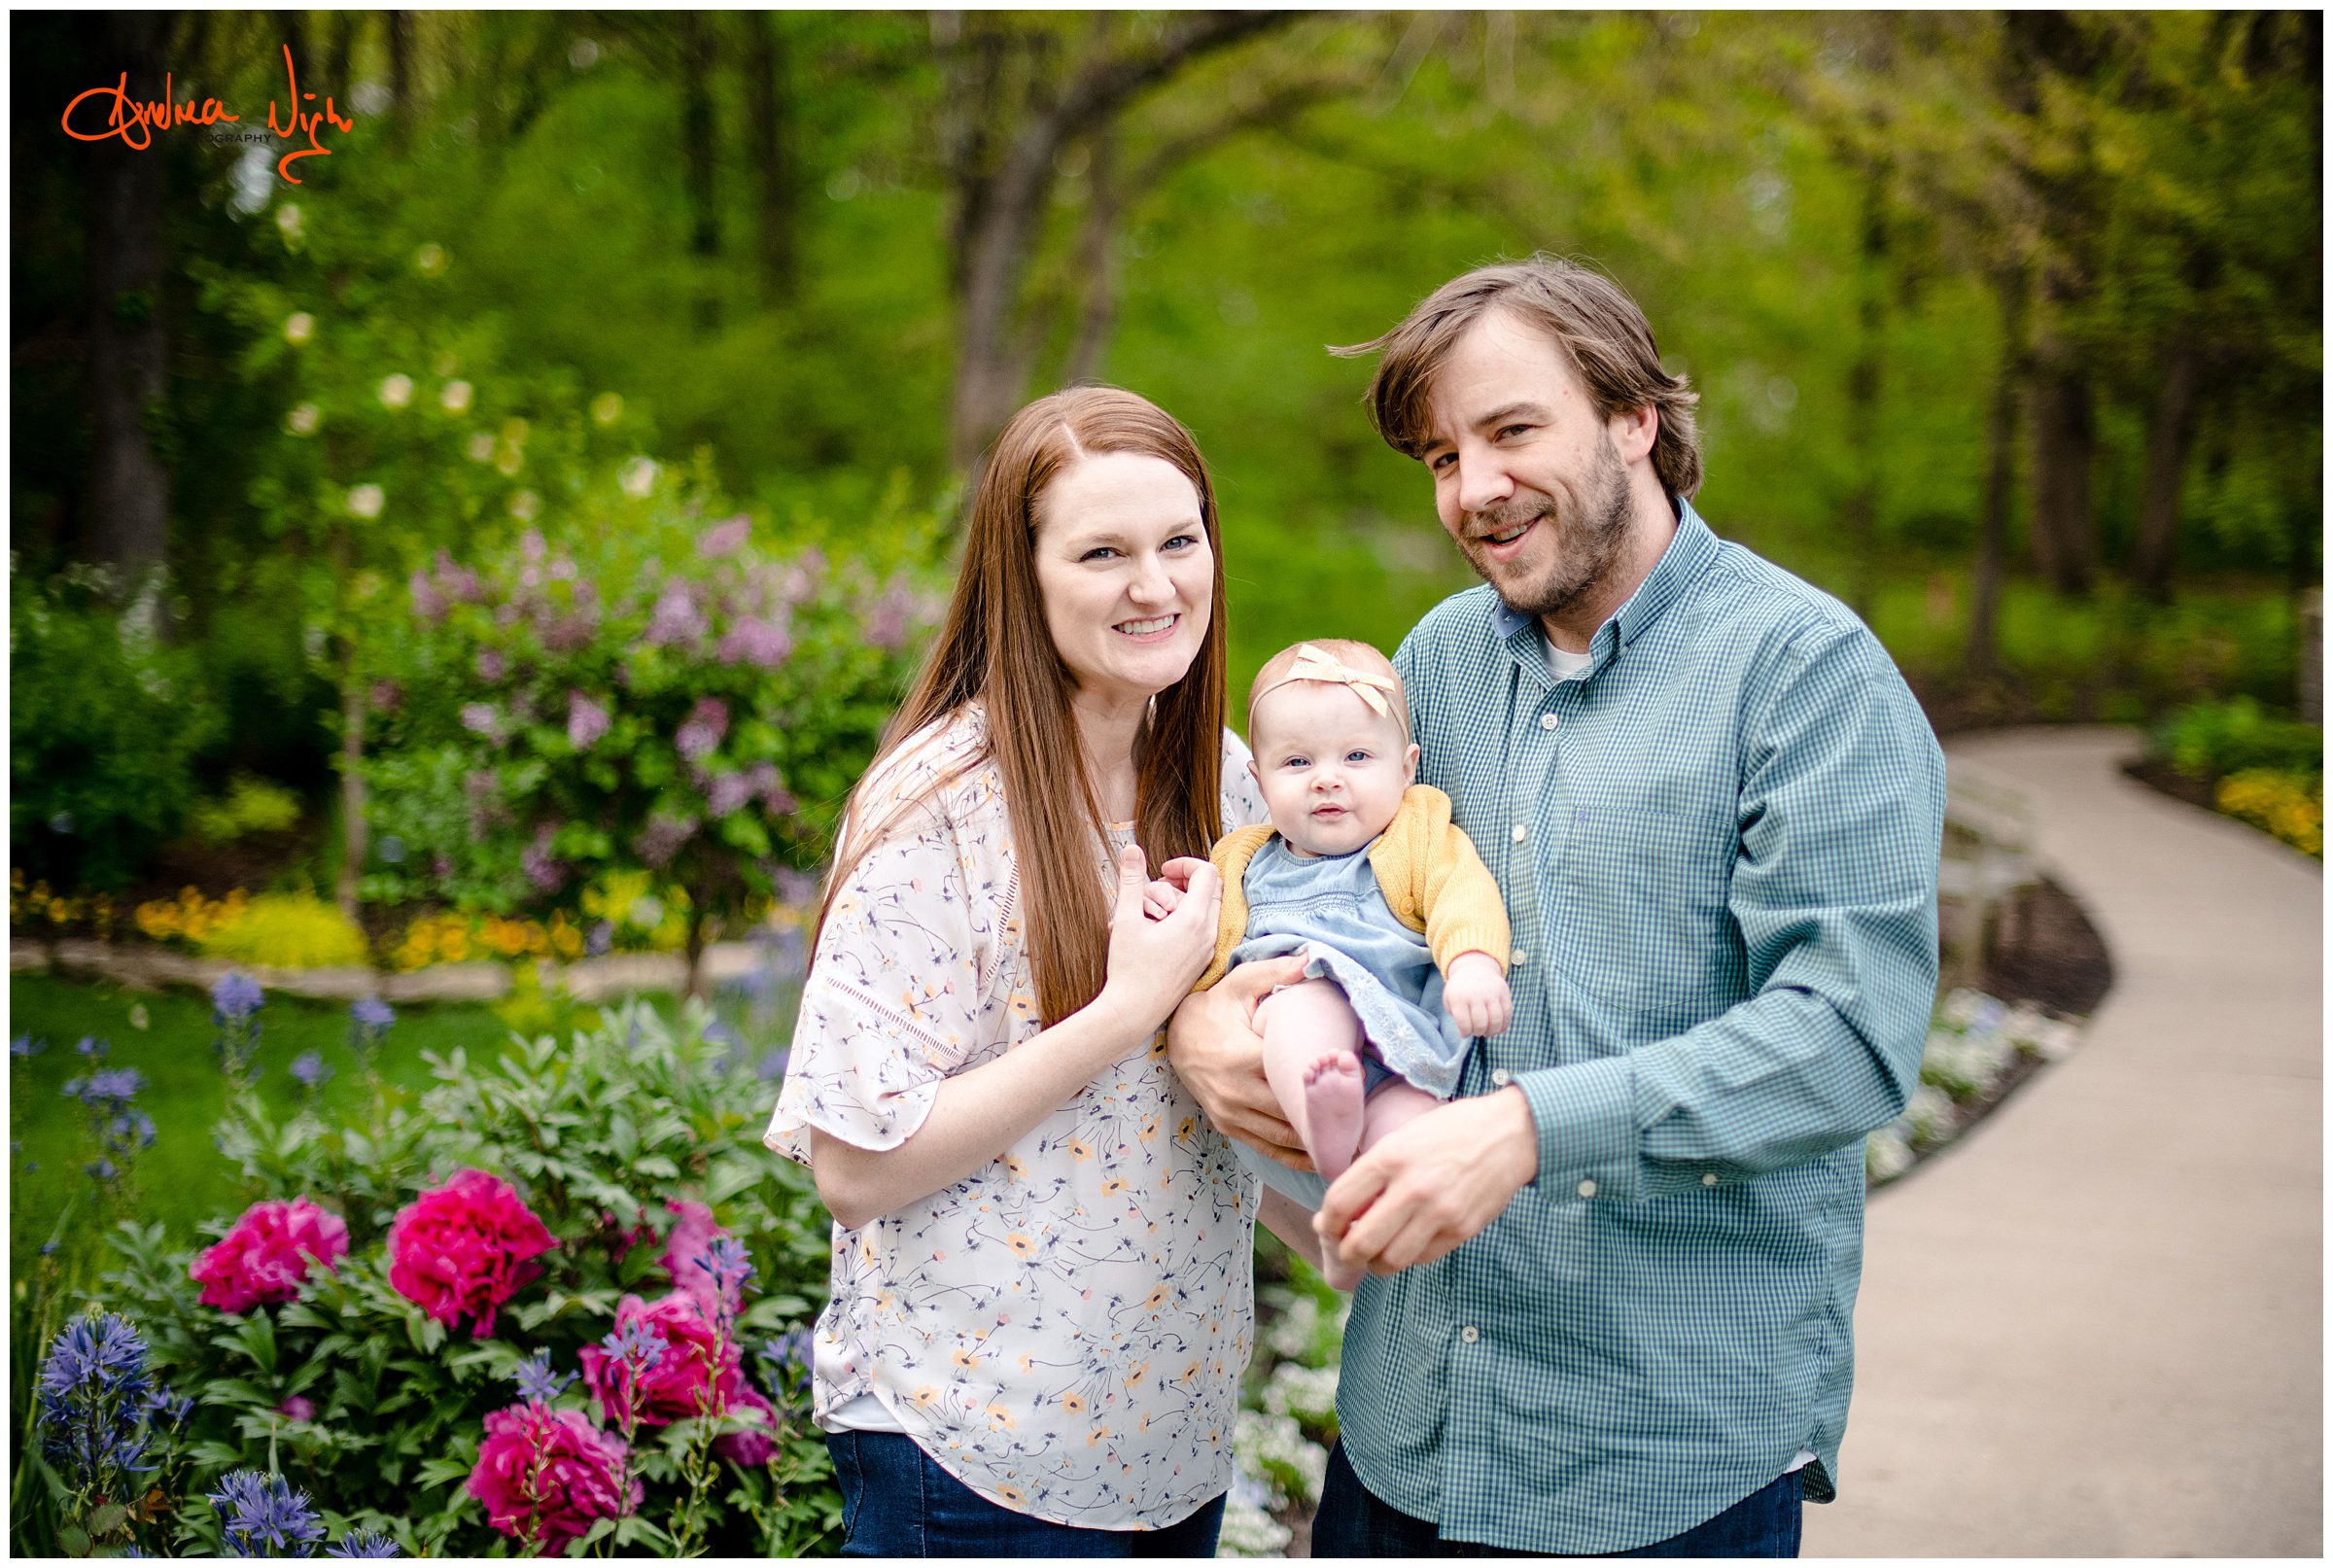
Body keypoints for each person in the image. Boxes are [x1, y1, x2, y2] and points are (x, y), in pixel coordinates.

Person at [1167, 256, 1947, 1556]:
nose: (1474, 488)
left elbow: (1849, 1039)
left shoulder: (1808, 675)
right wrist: (1204, 1028)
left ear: (1635, 416)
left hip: (1658, 1459)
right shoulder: (1432, 667)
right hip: (1411, 1429)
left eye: (1513, 429)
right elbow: (1324, 908)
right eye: (1439, 456)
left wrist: (1530, 1127)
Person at [765, 386, 1316, 1555]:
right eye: (1102, 552)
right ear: (1024, 576)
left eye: (1179, 540)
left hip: (1168, 1449)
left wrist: (1351, 1226)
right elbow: (856, 1167)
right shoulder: (938, 810)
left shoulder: (1228, 786)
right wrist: (1124, 1010)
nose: (1156, 585)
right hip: (968, 1454)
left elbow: (1190, 1106)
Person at [1148, 639, 1511, 1290]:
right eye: (1296, 761)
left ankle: (1347, 1232)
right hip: (1301, 1013)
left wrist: (1474, 965)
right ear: (1258, 781)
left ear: (1407, 768)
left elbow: (1463, 894)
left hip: (1402, 1049)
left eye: (1356, 756)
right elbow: (1205, 940)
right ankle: (1326, 1111)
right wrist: (1170, 905)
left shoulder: (1418, 832)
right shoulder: (1242, 858)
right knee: (1301, 1008)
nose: (1327, 777)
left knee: (1413, 1139)